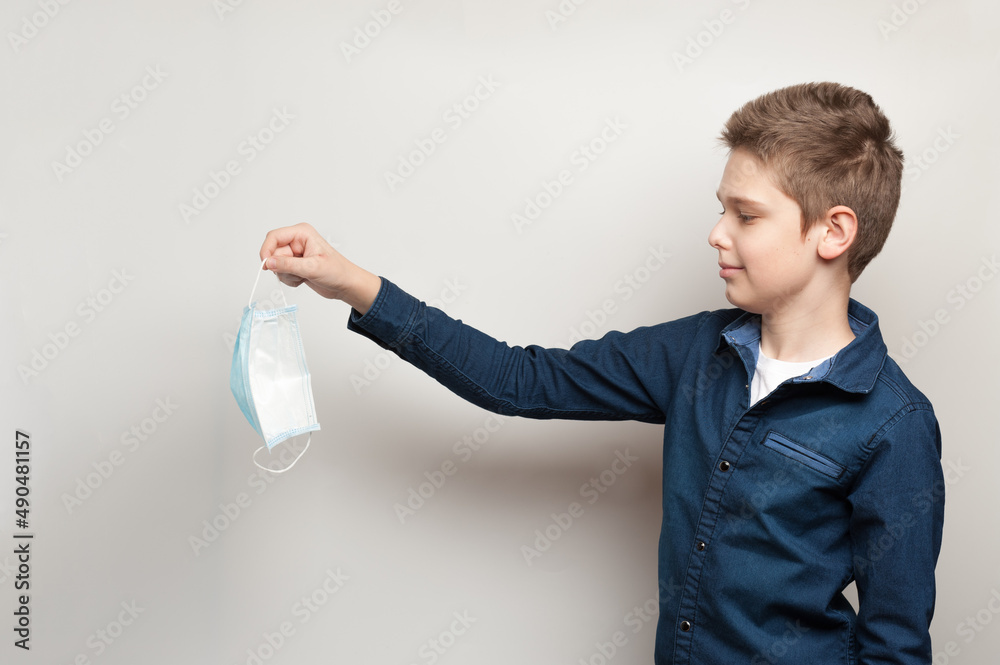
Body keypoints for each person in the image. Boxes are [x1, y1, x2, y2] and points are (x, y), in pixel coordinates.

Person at [258, 82, 944, 664]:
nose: (716, 232)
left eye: (747, 215)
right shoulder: (694, 353)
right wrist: (352, 283)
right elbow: (521, 380)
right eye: (720, 206)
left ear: (834, 232)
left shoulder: (894, 424)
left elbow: (896, 645)